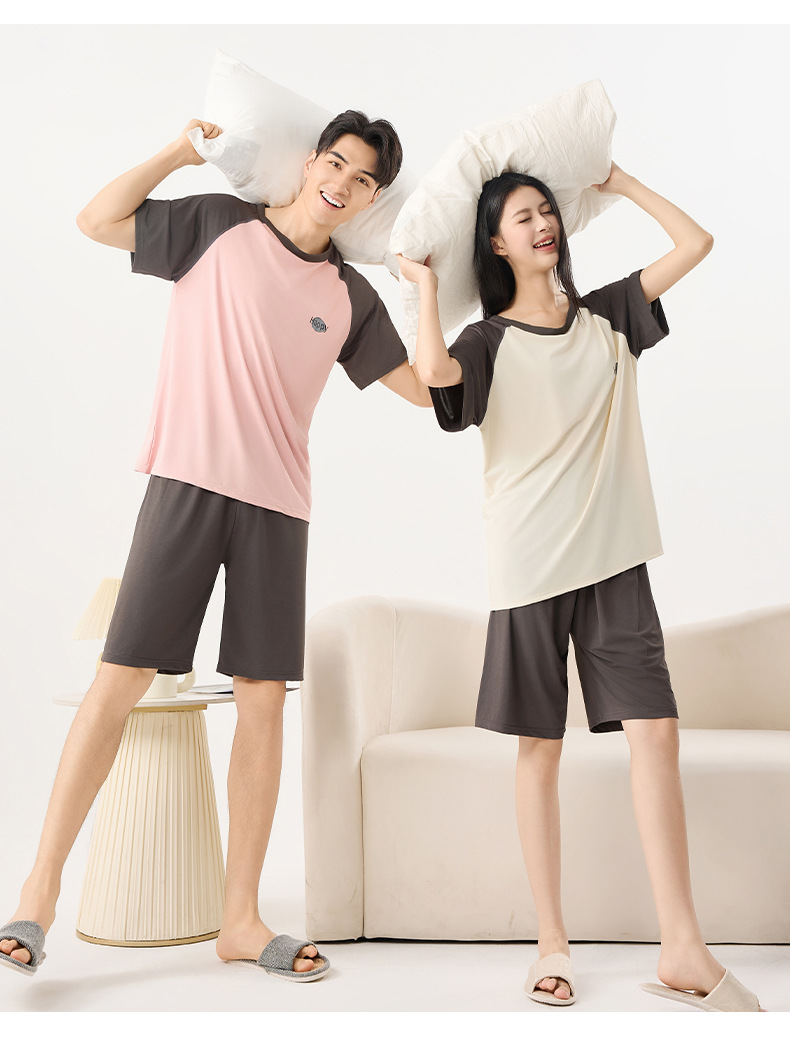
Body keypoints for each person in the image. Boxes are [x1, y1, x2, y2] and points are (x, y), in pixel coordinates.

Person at [0, 112, 430, 982]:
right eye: (335, 162)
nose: (341, 183)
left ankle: (241, 918)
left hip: (279, 509)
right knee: (119, 679)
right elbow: (96, 220)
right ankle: (37, 896)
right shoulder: (217, 223)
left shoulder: (351, 295)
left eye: (363, 180)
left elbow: (427, 393)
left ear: (371, 200)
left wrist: (423, 288)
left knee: (263, 703)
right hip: (186, 484)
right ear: (309, 163)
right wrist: (176, 152)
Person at [397, 164, 762, 1011]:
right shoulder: (486, 342)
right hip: (528, 566)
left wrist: (620, 181)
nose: (542, 225)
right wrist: (424, 285)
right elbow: (433, 376)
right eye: (522, 217)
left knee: (656, 732)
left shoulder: (608, 318)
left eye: (547, 211)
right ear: (495, 243)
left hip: (615, 560)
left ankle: (682, 945)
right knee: (541, 749)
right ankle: (550, 941)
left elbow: (696, 243)